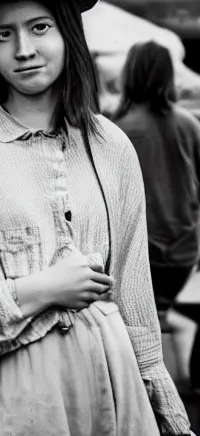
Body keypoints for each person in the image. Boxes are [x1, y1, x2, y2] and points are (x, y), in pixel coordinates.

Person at [0, 0, 192, 436]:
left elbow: (136, 299)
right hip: (28, 394)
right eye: (3, 35)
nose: (24, 50)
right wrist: (43, 289)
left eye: (39, 27)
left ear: (67, 31)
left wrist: (170, 417)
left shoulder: (111, 143)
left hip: (121, 382)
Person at [114, 41, 200, 393]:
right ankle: (183, 399)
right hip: (185, 252)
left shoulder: (116, 129)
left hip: (141, 253)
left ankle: (157, 405)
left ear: (129, 75)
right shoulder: (189, 124)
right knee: (166, 322)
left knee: (142, 329)